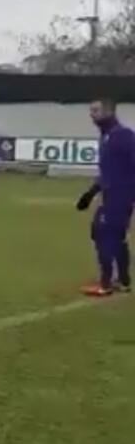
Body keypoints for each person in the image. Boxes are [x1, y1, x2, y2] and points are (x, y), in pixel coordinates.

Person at [76, 98, 135, 297]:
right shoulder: (106, 136)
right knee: (114, 236)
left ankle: (106, 283)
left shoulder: (123, 135)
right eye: (91, 110)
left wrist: (129, 195)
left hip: (121, 196)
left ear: (109, 112)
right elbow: (108, 172)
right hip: (112, 195)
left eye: (96, 110)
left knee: (104, 234)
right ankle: (123, 281)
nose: (91, 115)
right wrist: (91, 193)